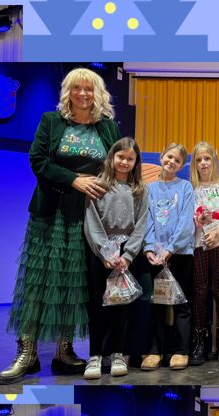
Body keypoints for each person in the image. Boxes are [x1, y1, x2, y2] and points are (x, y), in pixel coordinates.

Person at [0, 67, 121, 383]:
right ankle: (27, 353)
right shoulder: (51, 121)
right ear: (68, 92)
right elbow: (38, 160)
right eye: (77, 88)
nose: (83, 94)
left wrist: (104, 183)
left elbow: (117, 167)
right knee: (38, 283)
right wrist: (74, 180)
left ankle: (64, 351)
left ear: (98, 93)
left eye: (89, 89)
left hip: (89, 217)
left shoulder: (107, 127)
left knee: (73, 283)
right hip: (50, 213)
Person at [82, 136, 149, 379]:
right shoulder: (97, 185)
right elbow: (91, 221)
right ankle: (95, 355)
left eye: (130, 158)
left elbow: (141, 224)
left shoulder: (140, 190)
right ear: (112, 157)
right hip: (100, 254)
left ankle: (118, 353)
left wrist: (128, 255)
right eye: (121, 157)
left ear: (136, 162)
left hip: (126, 255)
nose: (124, 162)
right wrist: (104, 252)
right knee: (97, 304)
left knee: (122, 306)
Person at [141, 143, 197, 372]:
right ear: (161, 156)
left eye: (177, 160)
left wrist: (170, 249)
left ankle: (180, 351)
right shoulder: (150, 189)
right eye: (169, 157)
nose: (172, 162)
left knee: (182, 304)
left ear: (182, 165)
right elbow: (147, 220)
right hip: (156, 257)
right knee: (157, 304)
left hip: (180, 254)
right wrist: (149, 249)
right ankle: (154, 351)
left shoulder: (185, 187)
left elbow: (186, 222)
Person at [189, 141, 219, 366]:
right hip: (199, 245)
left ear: (214, 160)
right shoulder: (191, 188)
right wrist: (199, 220)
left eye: (207, 158)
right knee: (200, 291)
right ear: (194, 164)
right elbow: (189, 217)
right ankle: (201, 341)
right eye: (199, 159)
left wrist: (218, 232)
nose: (203, 163)